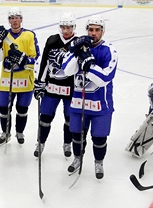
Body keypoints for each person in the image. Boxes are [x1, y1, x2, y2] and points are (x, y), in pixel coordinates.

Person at [49, 15, 118, 179]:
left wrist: (89, 64)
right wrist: (76, 52)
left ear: (102, 31)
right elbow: (67, 70)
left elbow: (104, 79)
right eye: (90, 30)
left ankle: (98, 162)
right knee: (77, 136)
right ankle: (77, 158)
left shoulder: (109, 50)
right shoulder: (79, 47)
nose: (93, 33)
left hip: (101, 105)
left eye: (97, 30)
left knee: (99, 138)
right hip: (78, 103)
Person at [0, 7, 40, 146]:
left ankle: (19, 131)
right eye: (12, 18)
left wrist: (24, 60)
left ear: (21, 19)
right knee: (4, 108)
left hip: (25, 82)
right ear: (9, 20)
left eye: (17, 17)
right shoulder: (3, 36)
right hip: (7, 81)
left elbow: (36, 60)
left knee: (22, 109)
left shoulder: (30, 35)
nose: (15, 20)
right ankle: (5, 133)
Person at [32, 12, 77, 159]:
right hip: (51, 88)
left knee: (70, 119)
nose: (66, 31)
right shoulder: (52, 40)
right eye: (63, 27)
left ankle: (67, 143)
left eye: (69, 27)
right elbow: (44, 63)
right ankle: (41, 142)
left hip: (70, 90)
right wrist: (40, 83)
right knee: (45, 117)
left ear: (74, 27)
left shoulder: (78, 43)